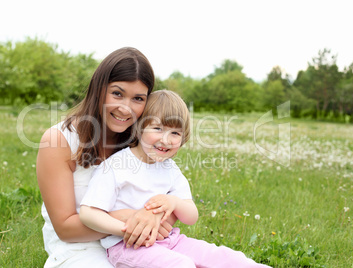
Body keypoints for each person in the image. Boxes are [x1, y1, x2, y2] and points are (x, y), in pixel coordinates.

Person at [80, 90, 271, 268]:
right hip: (128, 246)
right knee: (180, 265)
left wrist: (173, 201)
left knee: (227, 258)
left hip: (170, 241)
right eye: (157, 128)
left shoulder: (170, 169)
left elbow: (191, 216)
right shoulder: (115, 166)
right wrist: (130, 229)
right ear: (139, 128)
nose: (166, 139)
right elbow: (89, 213)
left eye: (175, 133)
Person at [36, 47, 177, 267]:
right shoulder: (58, 140)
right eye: (117, 93)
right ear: (99, 89)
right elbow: (65, 229)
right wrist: (131, 218)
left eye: (138, 98)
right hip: (79, 250)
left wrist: (155, 218)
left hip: (135, 245)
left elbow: (169, 201)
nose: (125, 108)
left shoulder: (142, 143)